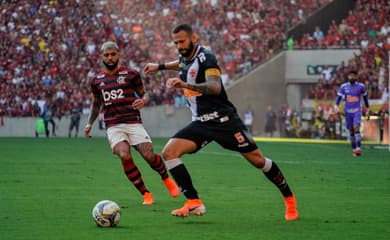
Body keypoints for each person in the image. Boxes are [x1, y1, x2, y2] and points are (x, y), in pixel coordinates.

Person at [143, 24, 298, 220]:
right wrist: (160, 66)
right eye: (176, 43)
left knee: (258, 161)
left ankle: (289, 198)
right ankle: (193, 202)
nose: (179, 46)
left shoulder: (206, 58)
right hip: (201, 122)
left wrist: (184, 84)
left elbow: (215, 87)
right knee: (169, 152)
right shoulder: (184, 55)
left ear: (194, 38)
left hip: (224, 121)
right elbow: (181, 62)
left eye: (182, 41)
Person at [84, 41, 179, 205]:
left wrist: (143, 100)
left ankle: (166, 178)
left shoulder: (131, 74)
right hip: (113, 125)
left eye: (113, 54)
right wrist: (89, 123)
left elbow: (145, 94)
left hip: (133, 122)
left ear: (118, 55)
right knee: (124, 154)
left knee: (149, 156)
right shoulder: (96, 81)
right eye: (106, 55)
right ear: (101, 57)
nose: (110, 57)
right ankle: (146, 193)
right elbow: (96, 103)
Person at [335, 70, 371, 156]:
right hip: (347, 111)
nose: (352, 77)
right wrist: (336, 106)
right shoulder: (343, 87)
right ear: (348, 77)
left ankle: (358, 148)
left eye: (353, 76)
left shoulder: (361, 86)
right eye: (350, 76)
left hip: (357, 110)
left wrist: (367, 108)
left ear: (356, 77)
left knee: (356, 128)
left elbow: (365, 97)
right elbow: (339, 97)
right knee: (351, 131)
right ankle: (354, 149)